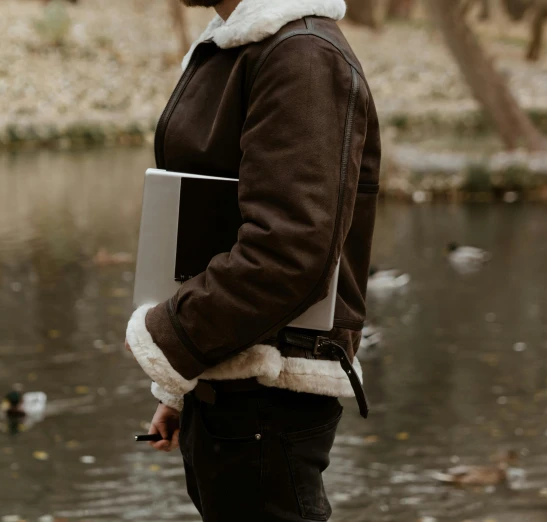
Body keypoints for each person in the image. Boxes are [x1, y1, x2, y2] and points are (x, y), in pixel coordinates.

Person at [125, 0, 380, 520]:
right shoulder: (245, 45)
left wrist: (170, 334)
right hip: (233, 382)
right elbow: (213, 223)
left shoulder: (303, 55)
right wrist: (179, 388)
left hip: (270, 393)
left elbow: (288, 249)